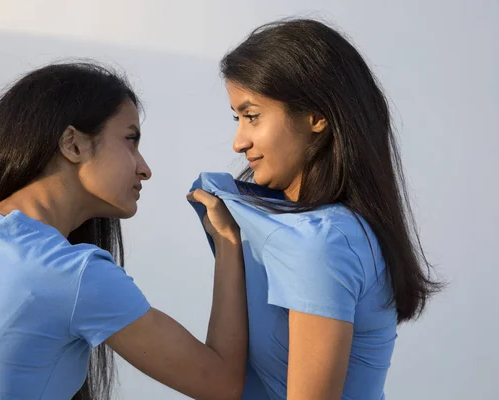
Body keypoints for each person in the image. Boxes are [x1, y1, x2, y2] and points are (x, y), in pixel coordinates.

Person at [0, 62, 248, 400]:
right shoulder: (73, 272)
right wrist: (229, 242)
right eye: (130, 140)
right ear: (73, 144)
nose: (145, 169)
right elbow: (221, 384)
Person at [189, 18, 442, 400]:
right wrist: (228, 241)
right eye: (237, 118)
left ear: (316, 116)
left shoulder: (322, 242)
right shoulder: (313, 230)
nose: (239, 142)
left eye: (252, 116)